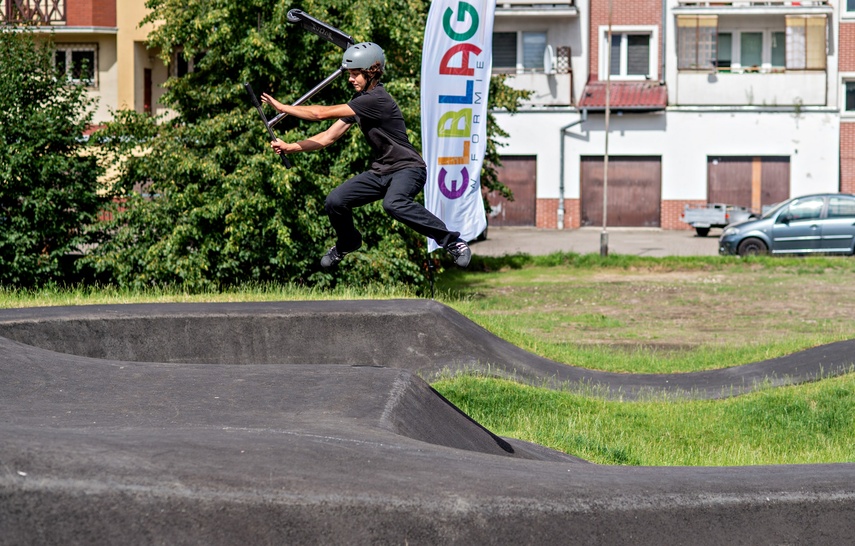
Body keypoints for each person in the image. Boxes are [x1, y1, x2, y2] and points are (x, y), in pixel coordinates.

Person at [260, 42, 471, 269]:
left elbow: (320, 114)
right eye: (349, 74)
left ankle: (453, 242)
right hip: (382, 170)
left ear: (371, 72)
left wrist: (283, 108)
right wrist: (291, 146)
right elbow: (327, 137)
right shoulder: (360, 104)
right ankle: (348, 242)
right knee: (335, 201)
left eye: (355, 74)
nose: (351, 79)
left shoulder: (376, 99)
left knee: (393, 204)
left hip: (408, 168)